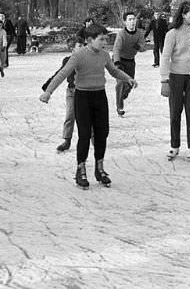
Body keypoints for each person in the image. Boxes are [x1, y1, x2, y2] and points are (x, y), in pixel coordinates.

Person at [39, 25, 136, 189]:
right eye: (101, 39)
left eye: (106, 39)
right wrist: (48, 92)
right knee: (84, 135)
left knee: (102, 133)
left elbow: (113, 71)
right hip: (82, 97)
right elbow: (62, 74)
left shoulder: (104, 55)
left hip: (100, 96)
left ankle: (100, 168)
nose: (105, 42)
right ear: (89, 40)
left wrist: (128, 78)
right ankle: (81, 169)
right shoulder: (78, 55)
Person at [160, 2, 190, 162]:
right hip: (176, 77)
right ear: (183, 14)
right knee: (175, 112)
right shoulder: (172, 34)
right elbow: (165, 57)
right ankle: (175, 145)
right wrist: (164, 80)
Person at [43, 37, 83, 152]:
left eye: (83, 45)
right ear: (72, 49)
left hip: (85, 91)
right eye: (79, 46)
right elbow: (60, 73)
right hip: (72, 91)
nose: (83, 48)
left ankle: (93, 138)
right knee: (70, 115)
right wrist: (48, 85)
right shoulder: (67, 61)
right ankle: (67, 140)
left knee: (86, 116)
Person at [112, 11, 146, 117]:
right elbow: (116, 49)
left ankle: (122, 95)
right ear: (125, 22)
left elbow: (143, 46)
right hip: (120, 61)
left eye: (133, 19)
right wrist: (117, 63)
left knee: (130, 84)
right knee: (120, 83)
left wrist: (139, 47)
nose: (132, 22)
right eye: (129, 20)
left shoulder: (139, 33)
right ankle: (119, 107)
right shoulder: (121, 34)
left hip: (130, 61)